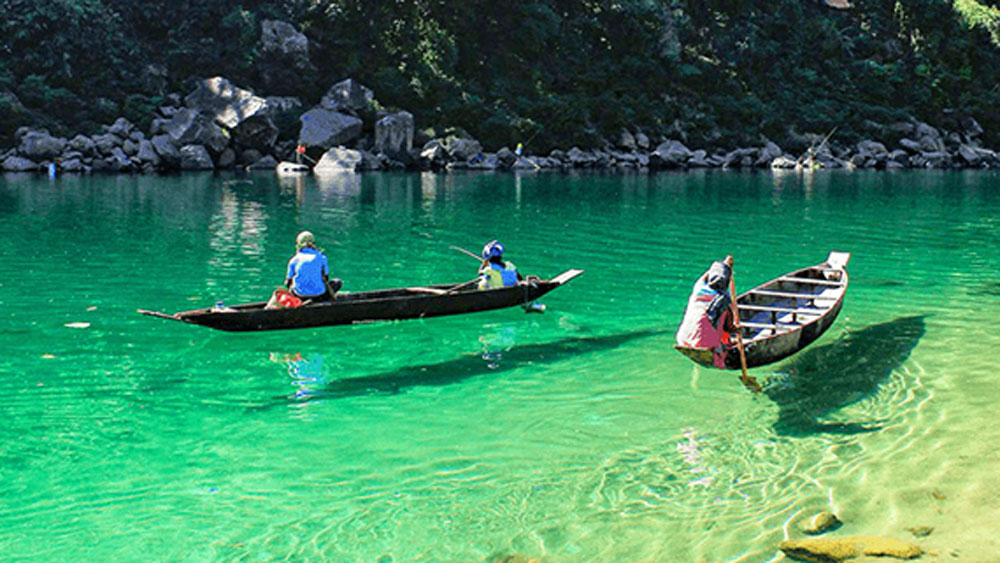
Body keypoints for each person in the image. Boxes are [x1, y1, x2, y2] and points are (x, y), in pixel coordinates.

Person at [675, 256, 737, 368]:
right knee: (722, 320)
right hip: (705, 342)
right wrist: (737, 329)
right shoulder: (723, 299)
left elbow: (707, 276)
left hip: (683, 337)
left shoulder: (699, 287)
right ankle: (714, 348)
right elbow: (730, 328)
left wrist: (725, 265)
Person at [477, 240, 545, 312]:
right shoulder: (510, 265)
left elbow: (480, 273)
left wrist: (484, 264)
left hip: (500, 294)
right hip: (514, 290)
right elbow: (519, 278)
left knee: (483, 281)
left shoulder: (489, 269)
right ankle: (527, 305)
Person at [285, 231, 341, 301]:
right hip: (319, 296)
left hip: (300, 296)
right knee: (337, 282)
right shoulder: (322, 257)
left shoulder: (294, 260)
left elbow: (287, 283)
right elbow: (326, 278)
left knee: (292, 287)